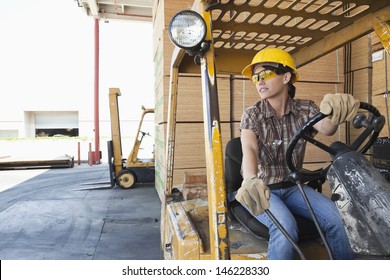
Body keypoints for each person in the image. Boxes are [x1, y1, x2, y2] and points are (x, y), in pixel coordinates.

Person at [235, 48, 357, 260]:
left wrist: (335, 110)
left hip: (293, 187)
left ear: (286, 77)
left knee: (339, 220)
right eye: (255, 77)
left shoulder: (305, 109)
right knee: (285, 228)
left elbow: (327, 128)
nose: (258, 82)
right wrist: (250, 178)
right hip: (262, 190)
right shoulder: (252, 114)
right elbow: (249, 149)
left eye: (264, 75)